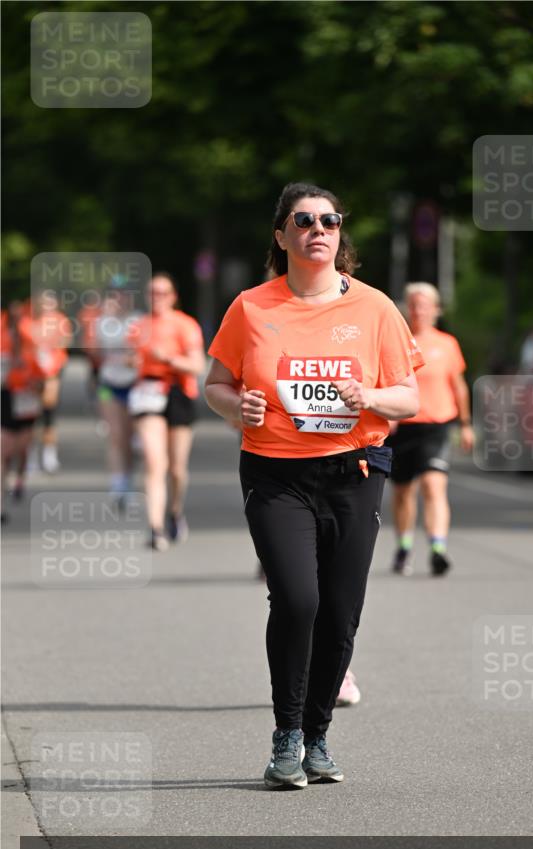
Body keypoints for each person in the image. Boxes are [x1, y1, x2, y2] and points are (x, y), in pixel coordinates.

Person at [205, 182, 423, 789]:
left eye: (329, 220)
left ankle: (319, 734)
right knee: (298, 600)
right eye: (303, 221)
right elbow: (214, 384)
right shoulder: (252, 307)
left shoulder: (376, 308)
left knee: (341, 613)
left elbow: (410, 396)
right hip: (276, 472)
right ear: (282, 236)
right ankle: (288, 734)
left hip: (353, 471)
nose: (318, 230)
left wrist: (370, 396)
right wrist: (236, 407)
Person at [389, 282, 473, 577]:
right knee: (402, 492)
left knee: (434, 486)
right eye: (413, 304)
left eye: (424, 304)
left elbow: (458, 386)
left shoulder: (447, 344)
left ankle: (438, 548)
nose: (418, 310)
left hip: (437, 425)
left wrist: (465, 425)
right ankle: (404, 546)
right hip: (403, 427)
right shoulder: (396, 341)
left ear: (436, 310)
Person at [127, 273, 205, 550]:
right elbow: (126, 363)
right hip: (148, 393)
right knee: (153, 460)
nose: (156, 298)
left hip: (178, 392)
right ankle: (155, 527)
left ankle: (174, 511)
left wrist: (169, 358)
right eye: (151, 293)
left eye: (162, 293)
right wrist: (132, 362)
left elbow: (197, 365)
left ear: (173, 297)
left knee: (176, 469)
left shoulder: (185, 325)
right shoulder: (138, 326)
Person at [87, 286, 141, 507]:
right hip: (108, 383)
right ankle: (118, 483)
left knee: (131, 439)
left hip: (134, 383)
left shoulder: (138, 321)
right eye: (115, 295)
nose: (119, 299)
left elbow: (144, 350)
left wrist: (134, 357)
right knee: (116, 435)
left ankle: (128, 478)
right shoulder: (102, 322)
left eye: (123, 295)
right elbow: (93, 352)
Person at [1, 302, 45, 520]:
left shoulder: (33, 346)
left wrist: (32, 381)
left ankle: (19, 479)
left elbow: (43, 379)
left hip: (27, 402)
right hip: (6, 399)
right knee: (4, 451)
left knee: (22, 448)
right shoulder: (2, 342)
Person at [20, 291, 71, 473]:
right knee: (31, 417)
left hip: (52, 371)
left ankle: (49, 456)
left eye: (51, 303)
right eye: (44, 303)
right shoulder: (27, 321)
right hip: (31, 375)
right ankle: (31, 457)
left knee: (49, 412)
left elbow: (63, 344)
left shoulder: (60, 320)